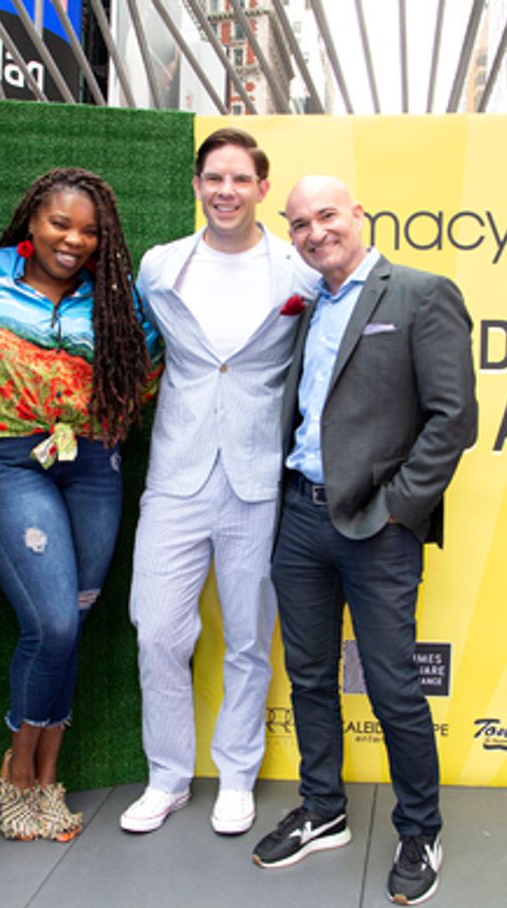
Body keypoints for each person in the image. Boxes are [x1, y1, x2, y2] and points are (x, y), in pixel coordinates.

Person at [251, 176, 476, 908]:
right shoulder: (310, 304)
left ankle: (421, 828)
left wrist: (395, 510)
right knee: (310, 675)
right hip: (300, 520)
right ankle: (325, 807)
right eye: (299, 223)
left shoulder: (420, 293)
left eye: (326, 215)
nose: (315, 231)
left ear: (359, 217)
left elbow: (453, 419)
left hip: (376, 529)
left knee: (392, 685)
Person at [121, 128, 317, 837]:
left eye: (240, 179)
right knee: (157, 629)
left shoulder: (298, 271)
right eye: (213, 178)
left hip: (260, 475)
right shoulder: (159, 267)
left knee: (247, 636)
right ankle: (167, 776)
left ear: (263, 188)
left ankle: (237, 773)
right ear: (197, 186)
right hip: (176, 470)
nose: (225, 191)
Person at [0, 167, 162, 843]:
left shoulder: (116, 300)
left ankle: (50, 778)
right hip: (8, 460)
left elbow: (148, 370)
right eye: (60, 223)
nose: (74, 239)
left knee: (72, 623)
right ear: (30, 221)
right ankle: (18, 773)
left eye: (90, 230)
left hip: (92, 466)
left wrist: (95, 410)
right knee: (49, 622)